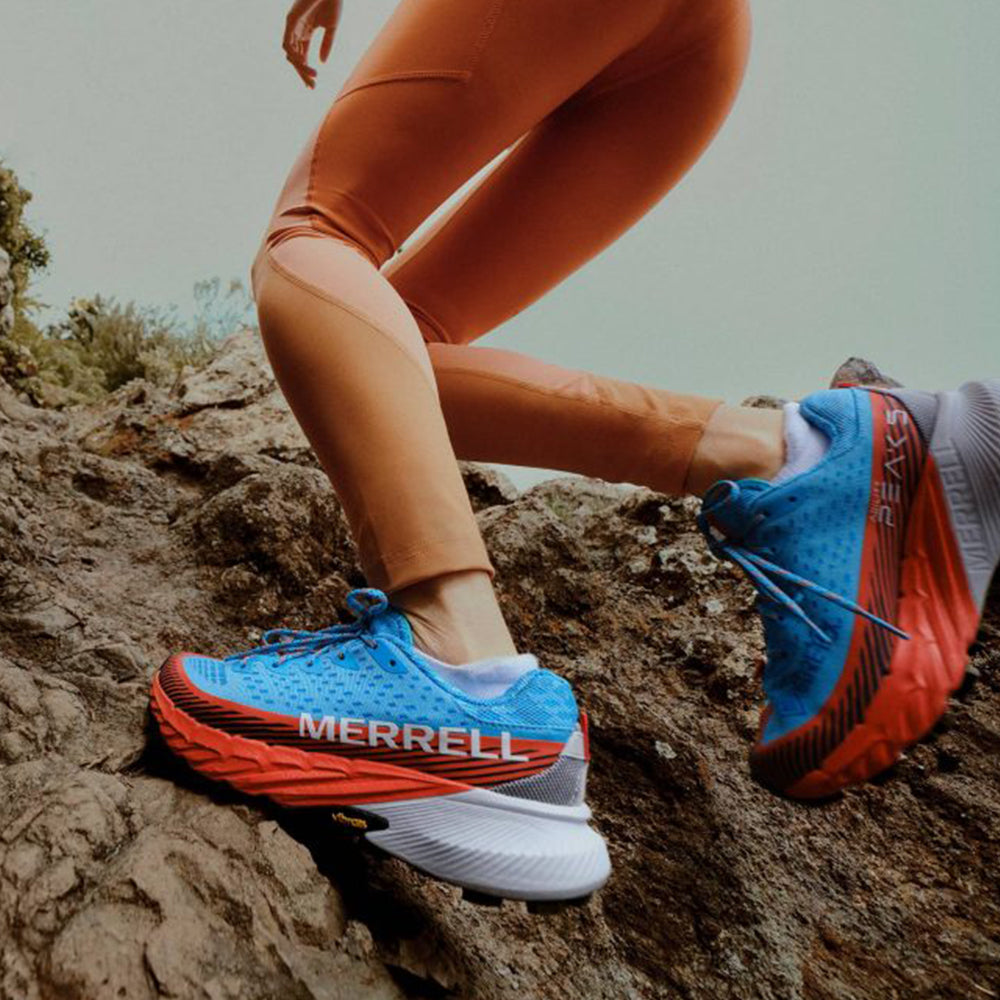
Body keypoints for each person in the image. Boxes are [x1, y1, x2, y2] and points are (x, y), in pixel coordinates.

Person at [149, 0, 1000, 903]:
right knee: (388, 360)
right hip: (691, 48)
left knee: (313, 238)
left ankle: (460, 676)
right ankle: (798, 458)